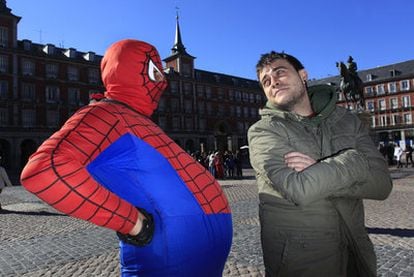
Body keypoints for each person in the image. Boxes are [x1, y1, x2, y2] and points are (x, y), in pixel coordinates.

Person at [20, 39, 232, 277]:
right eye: (155, 72)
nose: (163, 82)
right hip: (162, 260)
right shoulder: (104, 114)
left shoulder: (141, 121)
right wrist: (132, 222)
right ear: (128, 68)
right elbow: (43, 171)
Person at [248, 51, 392, 276]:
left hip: (355, 254)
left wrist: (319, 169)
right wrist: (352, 161)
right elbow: (299, 188)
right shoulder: (263, 131)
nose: (273, 81)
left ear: (303, 75)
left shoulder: (347, 120)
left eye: (280, 72)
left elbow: (383, 185)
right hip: (302, 261)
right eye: (266, 81)